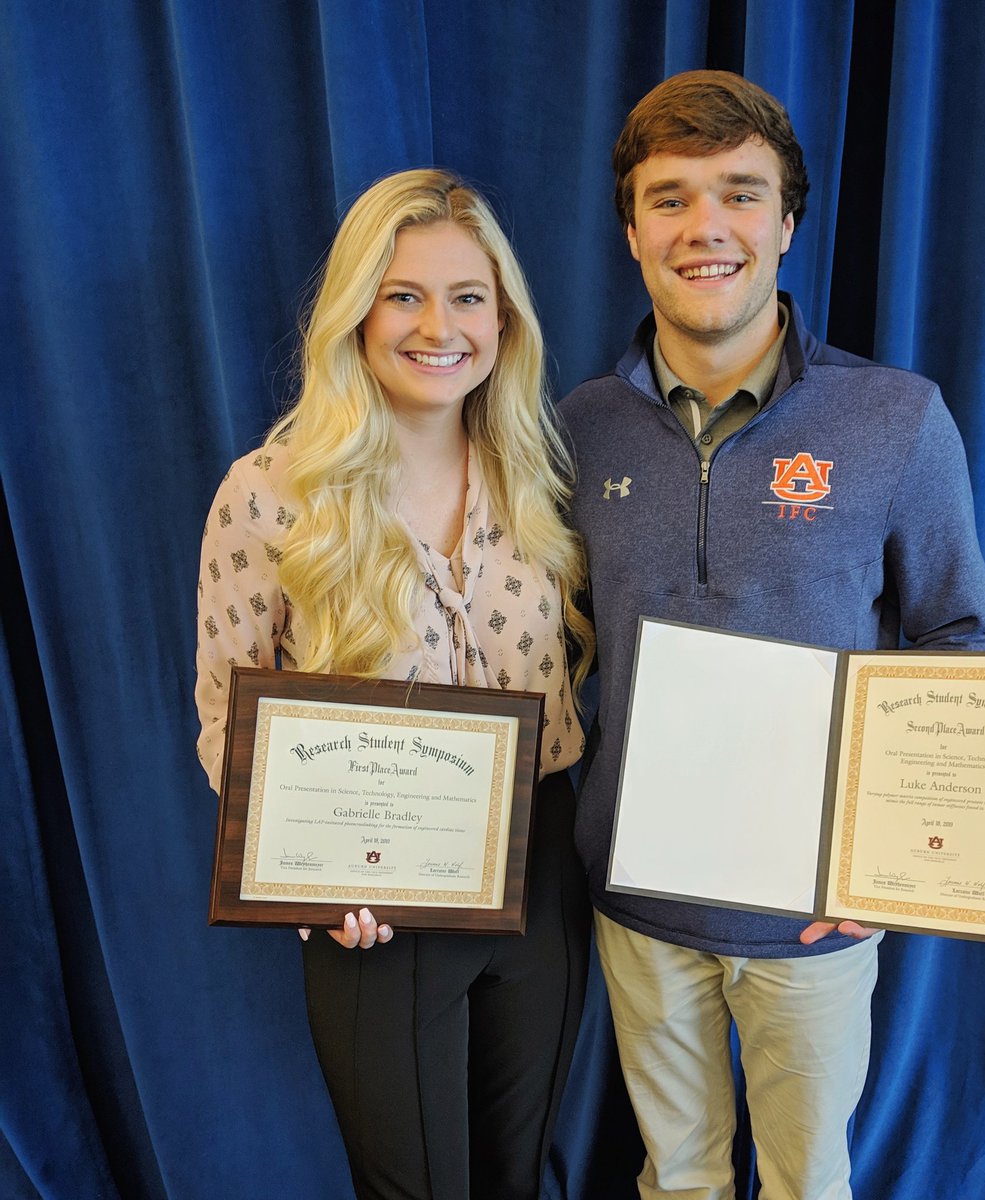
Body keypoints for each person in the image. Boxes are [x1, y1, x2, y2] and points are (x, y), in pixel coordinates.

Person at [558, 71, 985, 1200]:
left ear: (788, 223)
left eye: (740, 194)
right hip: (636, 905)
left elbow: (958, 638)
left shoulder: (898, 417)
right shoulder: (576, 426)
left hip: (813, 918)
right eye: (670, 198)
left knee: (810, 1184)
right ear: (630, 231)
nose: (706, 227)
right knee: (678, 1179)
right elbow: (552, 652)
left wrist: (892, 866)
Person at [195, 169, 593, 1200]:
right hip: (372, 899)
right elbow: (223, 713)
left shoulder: (542, 480)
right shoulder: (269, 494)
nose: (438, 327)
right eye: (403, 294)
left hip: (541, 873)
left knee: (515, 1176)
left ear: (503, 317)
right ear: (355, 312)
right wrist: (311, 880)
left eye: (467, 296)